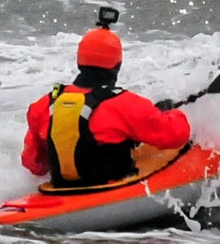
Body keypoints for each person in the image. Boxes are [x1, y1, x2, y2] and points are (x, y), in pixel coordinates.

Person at [22, 19, 191, 187]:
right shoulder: (126, 104)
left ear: (80, 61)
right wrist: (170, 112)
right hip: (110, 188)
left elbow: (34, 164)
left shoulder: (43, 105)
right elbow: (176, 136)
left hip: (60, 190)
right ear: (117, 65)